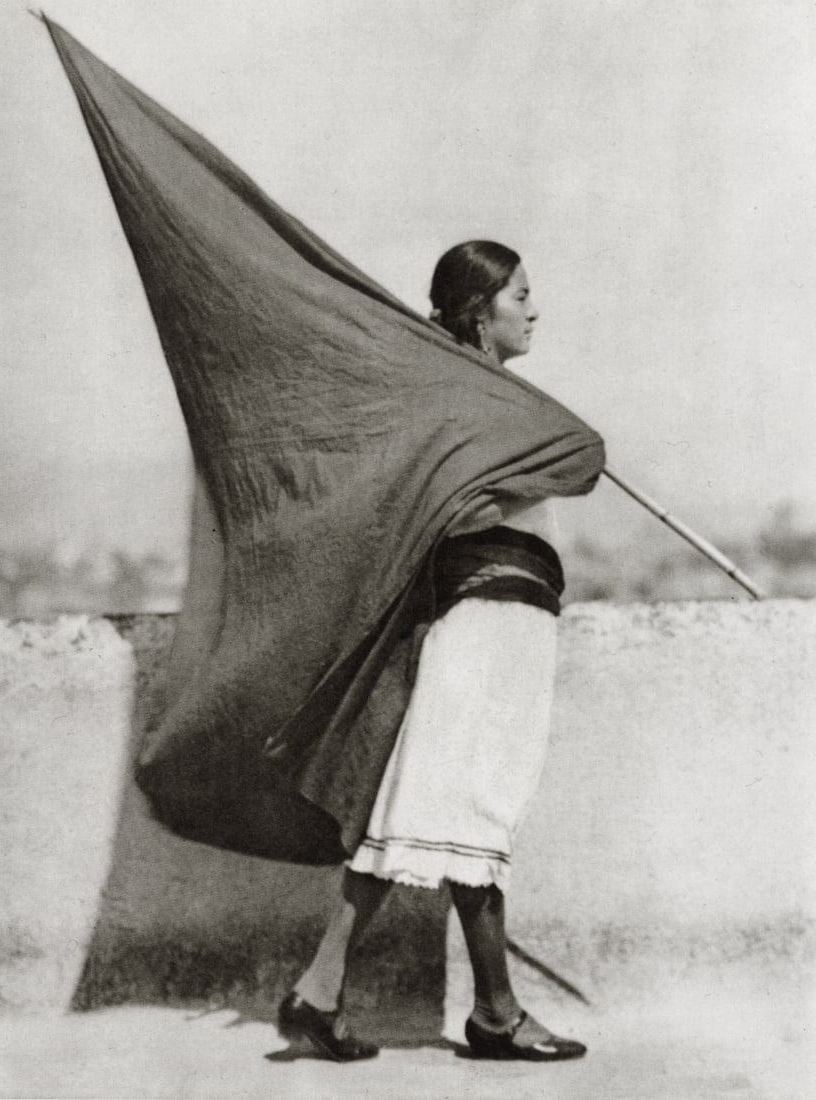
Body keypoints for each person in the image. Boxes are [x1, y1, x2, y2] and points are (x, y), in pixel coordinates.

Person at [278, 241, 588, 1063]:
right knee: (459, 810)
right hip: (484, 623)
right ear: (480, 313)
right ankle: (479, 1012)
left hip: (501, 621)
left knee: (433, 815)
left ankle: (354, 995)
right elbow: (458, 502)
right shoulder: (467, 404)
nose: (533, 308)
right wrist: (559, 445)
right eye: (521, 295)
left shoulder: (480, 399)